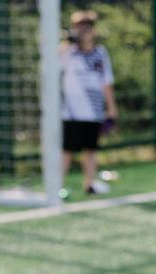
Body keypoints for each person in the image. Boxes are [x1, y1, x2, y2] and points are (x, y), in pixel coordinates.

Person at [60, 9, 118, 195]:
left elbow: (106, 82)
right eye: (80, 28)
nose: (84, 31)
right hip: (71, 112)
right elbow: (53, 62)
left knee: (91, 150)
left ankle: (89, 184)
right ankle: (57, 185)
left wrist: (111, 109)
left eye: (87, 27)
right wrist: (67, 42)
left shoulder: (101, 53)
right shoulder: (69, 52)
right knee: (67, 150)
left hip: (94, 111)